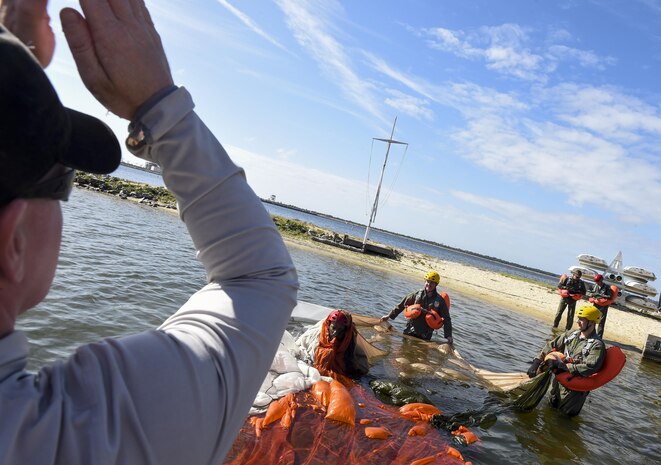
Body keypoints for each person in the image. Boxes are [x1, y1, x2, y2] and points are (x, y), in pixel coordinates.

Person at [0, 1, 298, 464]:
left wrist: (9, 71)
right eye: (63, 177)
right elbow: (260, 276)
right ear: (11, 242)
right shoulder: (81, 435)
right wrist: (159, 105)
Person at [526, 305, 605, 417]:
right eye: (578, 318)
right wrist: (536, 362)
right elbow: (551, 345)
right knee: (547, 414)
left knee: (563, 421)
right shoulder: (571, 334)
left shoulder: (597, 345)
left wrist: (564, 366)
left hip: (574, 393)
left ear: (592, 322)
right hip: (557, 384)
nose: (577, 321)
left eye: (581, 319)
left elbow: (591, 367)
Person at [380, 271, 453, 343]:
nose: (429, 284)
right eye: (427, 281)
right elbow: (401, 305)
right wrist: (389, 316)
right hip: (409, 331)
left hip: (425, 336)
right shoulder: (416, 295)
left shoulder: (440, 301)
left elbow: (446, 318)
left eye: (432, 283)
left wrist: (448, 335)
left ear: (436, 284)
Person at [296, 309, 369, 380]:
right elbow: (299, 346)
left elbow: (363, 368)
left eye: (340, 329)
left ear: (345, 329)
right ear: (328, 325)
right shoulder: (315, 335)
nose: (335, 332)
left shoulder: (350, 341)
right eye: (333, 328)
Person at [586, 273, 613, 338]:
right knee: (593, 320)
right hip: (595, 304)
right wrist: (593, 295)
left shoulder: (607, 287)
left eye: (598, 281)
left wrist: (600, 295)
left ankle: (599, 337)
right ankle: (591, 334)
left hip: (603, 306)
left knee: (601, 322)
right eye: (596, 281)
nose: (597, 283)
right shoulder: (594, 286)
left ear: (601, 280)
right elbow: (587, 292)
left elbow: (610, 296)